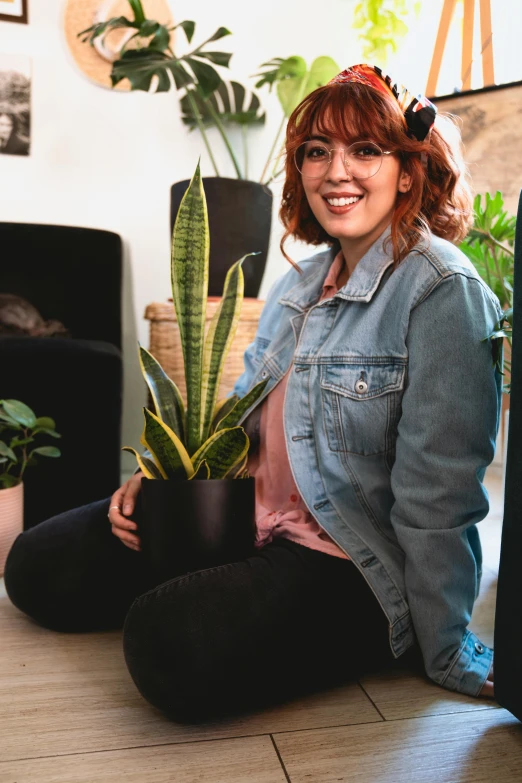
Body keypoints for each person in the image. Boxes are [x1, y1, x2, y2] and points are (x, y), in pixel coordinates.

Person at [4, 64, 500, 721]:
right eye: (317, 151)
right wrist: (162, 487)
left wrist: (443, 645)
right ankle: (221, 594)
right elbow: (238, 426)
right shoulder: (300, 284)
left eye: (365, 150)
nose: (335, 171)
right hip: (246, 517)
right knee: (35, 565)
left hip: (347, 561)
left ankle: (292, 620)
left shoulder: (442, 291)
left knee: (165, 643)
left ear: (408, 170)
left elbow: (441, 496)